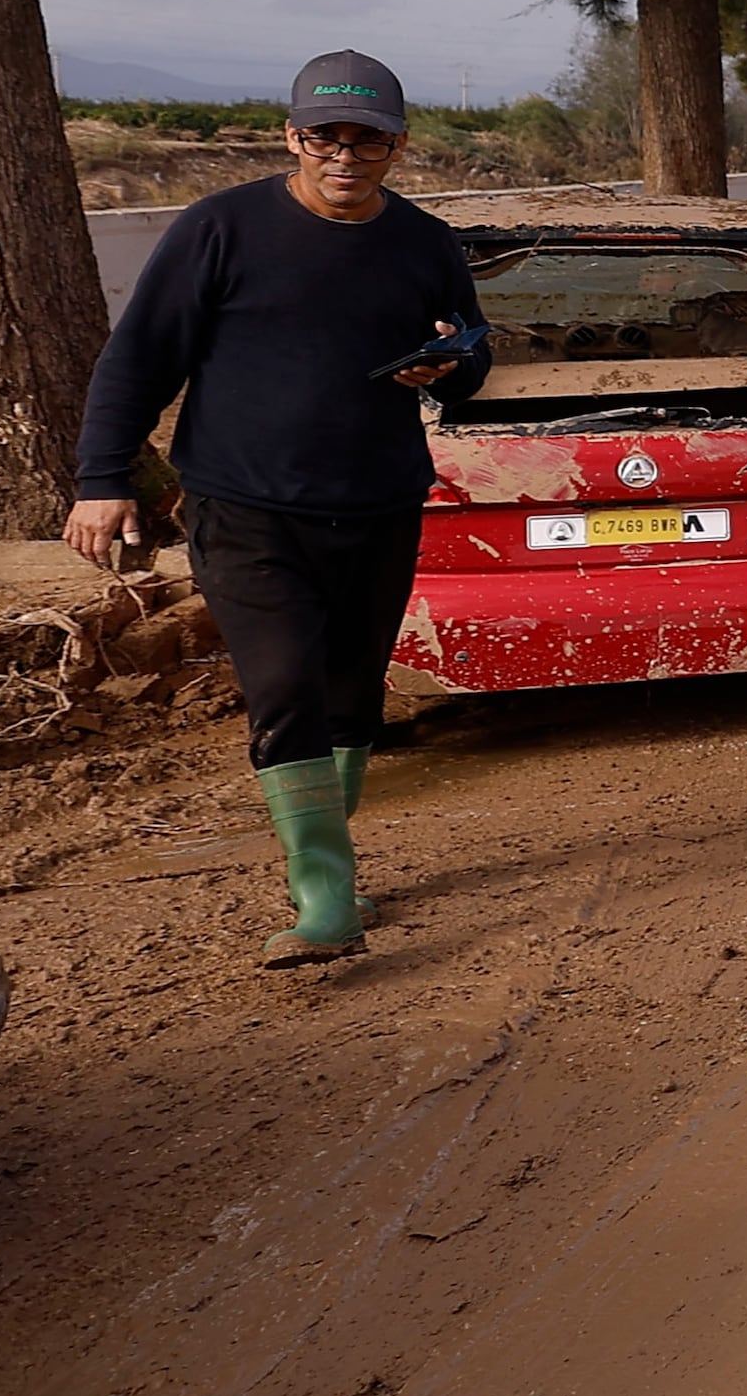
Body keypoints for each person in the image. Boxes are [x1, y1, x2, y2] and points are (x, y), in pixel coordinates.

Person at [64, 52, 490, 969]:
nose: (345, 154)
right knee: (285, 681)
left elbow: (470, 349)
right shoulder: (220, 228)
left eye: (366, 138)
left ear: (397, 145)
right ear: (291, 137)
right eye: (324, 136)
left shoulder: (423, 240)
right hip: (244, 502)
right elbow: (139, 358)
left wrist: (451, 367)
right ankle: (326, 896)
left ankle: (326, 866)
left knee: (350, 690)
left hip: (378, 500)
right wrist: (103, 478)